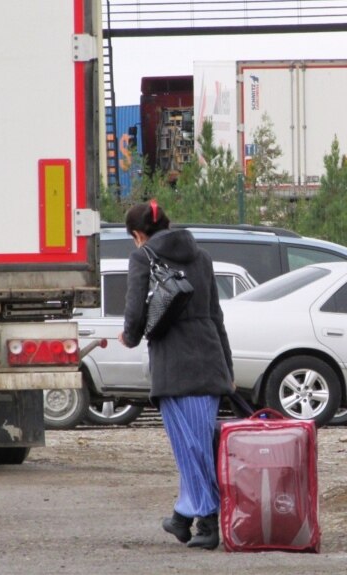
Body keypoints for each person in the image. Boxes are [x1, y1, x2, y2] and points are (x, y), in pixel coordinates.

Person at [118, 199, 234, 550]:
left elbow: (135, 308)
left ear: (139, 234)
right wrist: (226, 366)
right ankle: (183, 517)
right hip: (208, 356)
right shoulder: (202, 256)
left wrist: (130, 335)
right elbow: (216, 315)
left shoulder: (143, 256)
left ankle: (208, 521)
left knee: (191, 447)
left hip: (173, 360)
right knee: (195, 446)